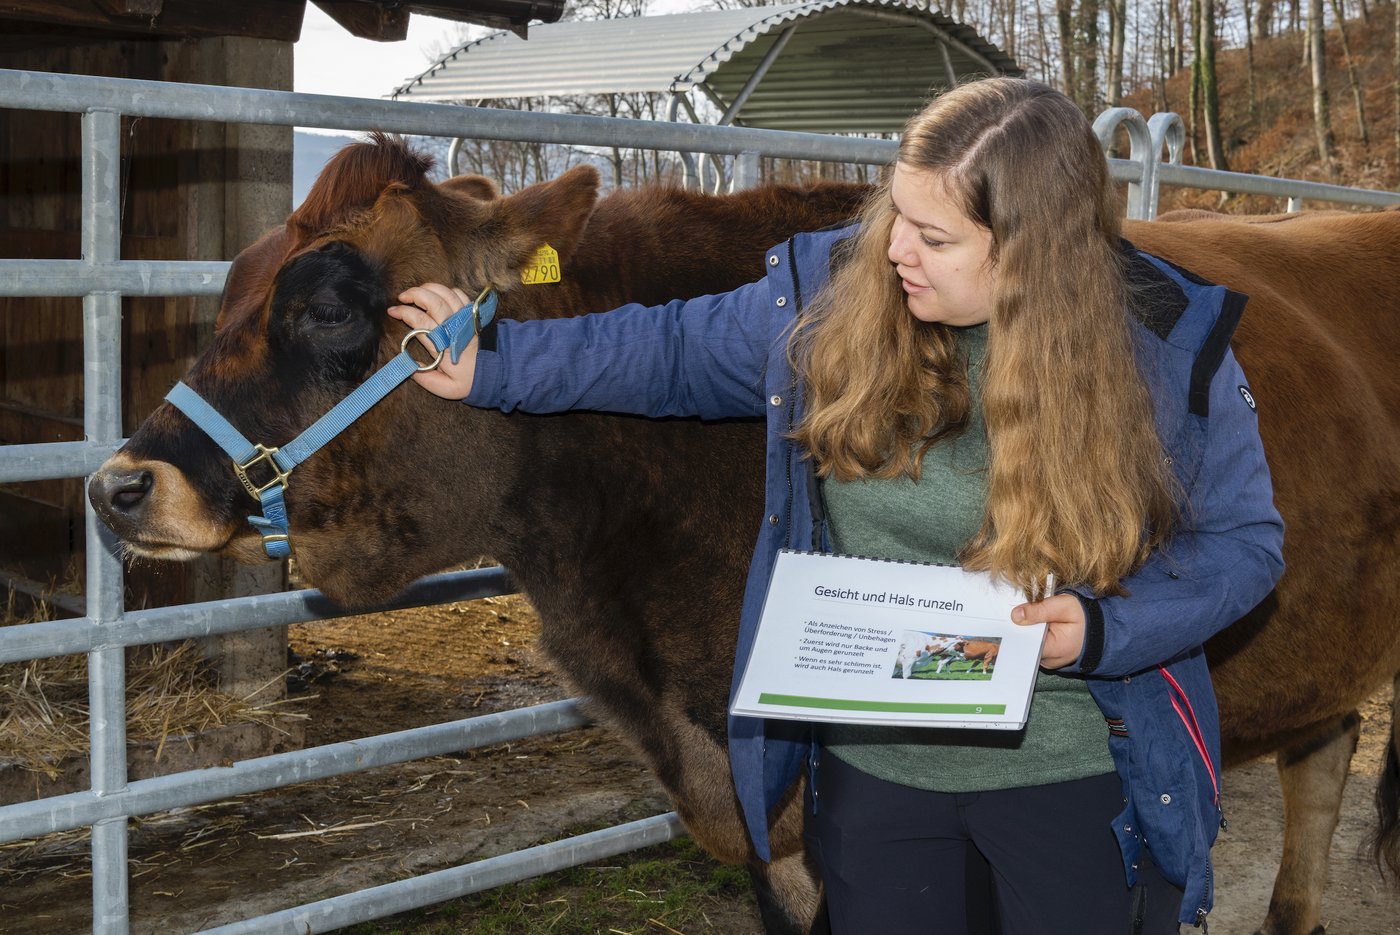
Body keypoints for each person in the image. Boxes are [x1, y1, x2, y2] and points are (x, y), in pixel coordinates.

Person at [388, 77, 1283, 934]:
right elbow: (666, 352)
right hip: (874, 776)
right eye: (899, 215)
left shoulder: (1161, 350)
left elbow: (1244, 543)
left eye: (935, 238)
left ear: (1027, 248)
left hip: (1073, 775)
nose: (896, 249)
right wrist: (494, 369)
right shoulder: (839, 295)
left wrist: (1099, 630)